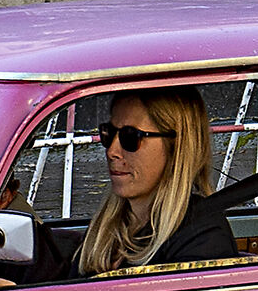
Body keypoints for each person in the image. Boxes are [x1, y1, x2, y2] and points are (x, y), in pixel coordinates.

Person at [75, 87, 237, 276]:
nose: (112, 151)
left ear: (176, 147)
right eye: (109, 133)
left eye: (130, 137)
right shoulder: (107, 229)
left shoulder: (203, 237)